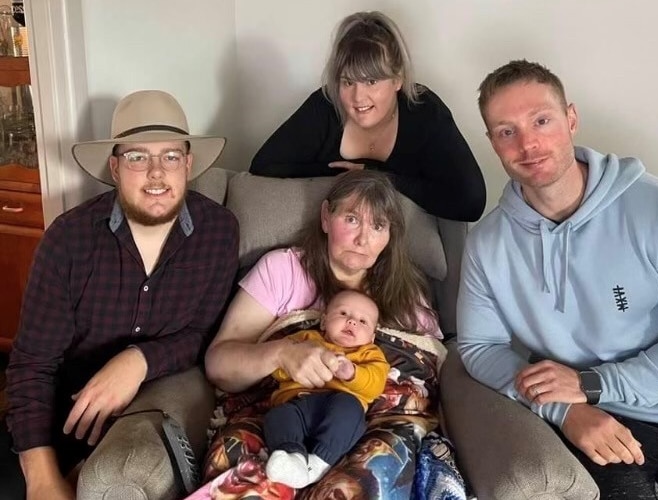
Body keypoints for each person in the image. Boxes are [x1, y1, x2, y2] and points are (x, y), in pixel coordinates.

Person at [457, 59, 658, 499]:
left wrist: (592, 385)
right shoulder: (487, 243)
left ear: (571, 118)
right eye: (506, 131)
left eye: (541, 120)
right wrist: (564, 410)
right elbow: (480, 347)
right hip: (589, 421)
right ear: (493, 142)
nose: (528, 143)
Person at [1, 90, 239, 500]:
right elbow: (32, 366)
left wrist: (138, 361)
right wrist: (41, 475)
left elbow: (203, 334)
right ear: (114, 167)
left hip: (143, 416)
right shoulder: (69, 240)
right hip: (58, 418)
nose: (156, 173)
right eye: (137, 157)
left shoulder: (218, 232)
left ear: (188, 163)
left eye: (170, 157)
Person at [203, 169, 440, 489]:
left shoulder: (407, 292)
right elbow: (219, 364)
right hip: (283, 415)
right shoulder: (282, 270)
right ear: (326, 217)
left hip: (373, 428)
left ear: (389, 237)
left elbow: (431, 372)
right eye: (352, 219)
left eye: (378, 225)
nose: (363, 239)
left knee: (371, 478)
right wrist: (281, 353)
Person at [249, 10, 486, 223]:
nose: (357, 97)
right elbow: (264, 165)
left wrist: (377, 175)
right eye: (348, 81)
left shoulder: (424, 112)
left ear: (397, 80)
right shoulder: (325, 105)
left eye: (371, 81)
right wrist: (340, 175)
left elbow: (470, 202)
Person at [263, 289, 389, 489]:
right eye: (343, 314)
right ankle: (292, 457)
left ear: (372, 337)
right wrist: (294, 363)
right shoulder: (306, 339)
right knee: (277, 416)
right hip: (296, 403)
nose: (352, 322)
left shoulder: (370, 353)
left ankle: (318, 463)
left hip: (339, 407)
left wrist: (352, 373)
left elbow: (375, 385)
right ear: (323, 322)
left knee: (349, 409)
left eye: (363, 321)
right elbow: (277, 369)